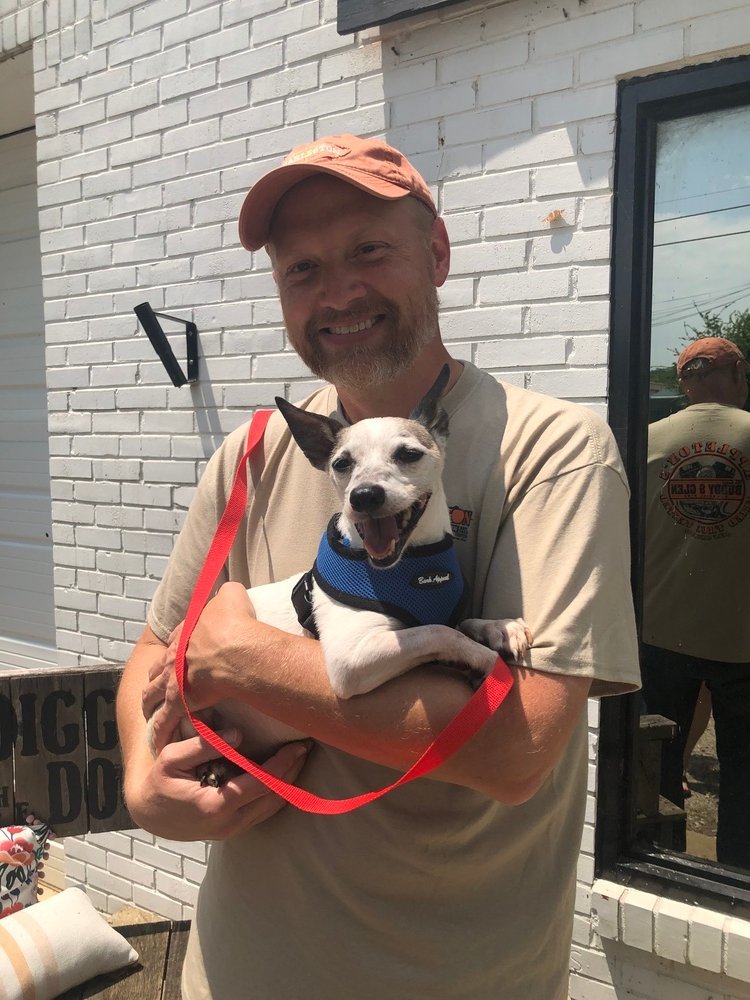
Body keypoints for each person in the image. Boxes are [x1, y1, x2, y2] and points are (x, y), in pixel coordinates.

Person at [116, 134, 640, 1000]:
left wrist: (243, 658)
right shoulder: (251, 455)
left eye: (368, 250)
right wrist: (141, 783)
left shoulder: (553, 452)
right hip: (236, 972)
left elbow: (516, 752)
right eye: (303, 269)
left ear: (436, 254)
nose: (339, 291)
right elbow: (154, 651)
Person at [641, 336, 750, 867]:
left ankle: (661, 861)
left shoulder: (645, 441)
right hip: (744, 637)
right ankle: (737, 879)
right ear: (738, 373)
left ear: (684, 384)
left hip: (663, 630)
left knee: (657, 762)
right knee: (745, 774)